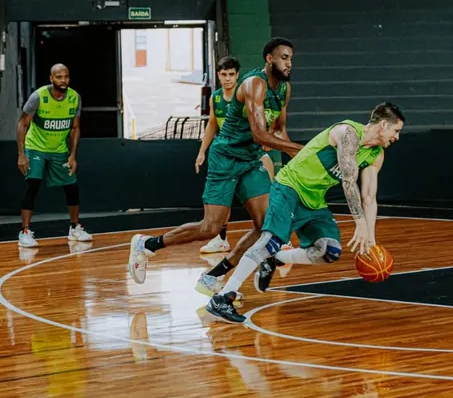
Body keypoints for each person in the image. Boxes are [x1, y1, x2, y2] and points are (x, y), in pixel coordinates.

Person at [205, 102, 406, 323]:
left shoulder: (376, 154)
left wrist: (371, 241)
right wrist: (358, 221)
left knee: (329, 250)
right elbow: (349, 180)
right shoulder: (347, 133)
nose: (397, 137)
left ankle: (277, 258)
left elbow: (369, 197)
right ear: (384, 124)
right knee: (270, 240)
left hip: (314, 198)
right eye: (396, 131)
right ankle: (223, 297)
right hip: (290, 186)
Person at [126, 37, 303, 287]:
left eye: (291, 59)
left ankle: (214, 275)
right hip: (226, 158)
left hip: (251, 161)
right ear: (269, 59)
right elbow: (259, 134)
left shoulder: (284, 89)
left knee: (266, 226)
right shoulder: (254, 84)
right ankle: (146, 244)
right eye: (284, 58)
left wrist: (297, 155)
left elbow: (278, 129)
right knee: (210, 228)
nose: (289, 64)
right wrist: (299, 149)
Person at [195, 56, 289, 256]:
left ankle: (279, 238)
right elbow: (212, 124)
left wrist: (268, 138)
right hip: (228, 155)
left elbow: (270, 118)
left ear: (238, 75)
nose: (227, 78)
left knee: (269, 192)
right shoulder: (216, 98)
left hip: (252, 152)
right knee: (221, 206)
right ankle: (220, 239)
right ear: (218, 76)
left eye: (231, 74)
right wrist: (202, 151)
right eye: (223, 74)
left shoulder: (250, 93)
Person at [16, 63, 92, 247]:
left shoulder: (74, 98)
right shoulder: (38, 97)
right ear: (51, 79)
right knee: (33, 184)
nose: (63, 80)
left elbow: (75, 128)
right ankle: (25, 232)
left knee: (71, 187)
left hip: (59, 149)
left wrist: (73, 155)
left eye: (66, 76)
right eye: (59, 77)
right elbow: (22, 124)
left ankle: (75, 228)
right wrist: (21, 154)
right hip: (36, 147)